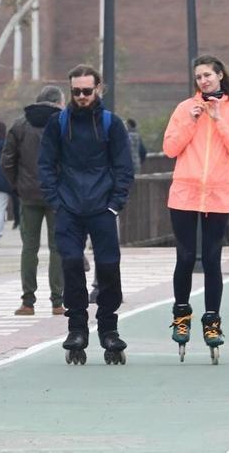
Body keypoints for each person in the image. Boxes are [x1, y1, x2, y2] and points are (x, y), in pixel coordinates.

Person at [38, 64, 134, 365]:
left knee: (108, 267)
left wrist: (115, 203)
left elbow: (124, 167)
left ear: (99, 89)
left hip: (102, 207)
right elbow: (45, 164)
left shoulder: (111, 124)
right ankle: (77, 329)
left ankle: (109, 329)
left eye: (86, 91)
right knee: (70, 264)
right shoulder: (58, 123)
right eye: (76, 91)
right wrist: (56, 201)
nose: (81, 96)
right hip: (69, 208)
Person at [163, 55, 229, 362]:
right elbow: (170, 148)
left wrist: (217, 118)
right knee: (186, 256)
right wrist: (193, 118)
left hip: (218, 195)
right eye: (199, 77)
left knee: (212, 258)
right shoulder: (184, 109)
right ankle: (181, 313)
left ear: (219, 76)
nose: (203, 81)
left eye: (208, 75)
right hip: (185, 193)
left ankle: (212, 321)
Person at [2, 86, 66, 316]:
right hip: (58, 195)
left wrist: (17, 186)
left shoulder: (20, 124)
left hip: (28, 195)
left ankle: (28, 301)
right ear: (58, 102)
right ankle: (57, 301)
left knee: (29, 248)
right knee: (57, 248)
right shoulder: (64, 123)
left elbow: (7, 160)